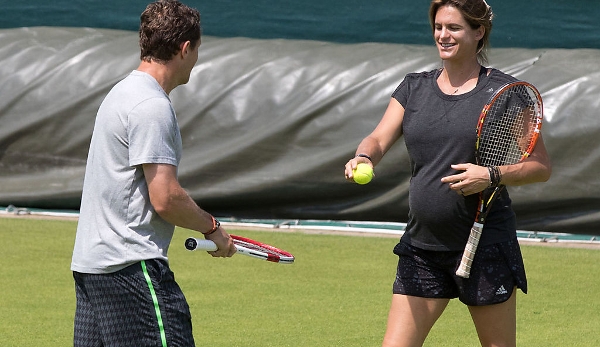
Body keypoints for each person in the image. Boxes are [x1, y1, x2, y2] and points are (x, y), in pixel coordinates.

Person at [344, 1, 551, 346]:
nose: (443, 35)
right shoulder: (413, 88)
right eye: (438, 27)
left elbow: (540, 166)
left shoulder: (505, 94)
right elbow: (379, 138)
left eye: (454, 28)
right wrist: (364, 156)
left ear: (478, 32)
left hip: (485, 245)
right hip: (422, 247)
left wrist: (491, 175)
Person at [71, 1, 236, 346]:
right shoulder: (151, 106)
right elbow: (166, 197)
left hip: (93, 269)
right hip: (130, 268)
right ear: (185, 48)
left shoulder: (122, 93)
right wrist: (213, 228)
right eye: (196, 51)